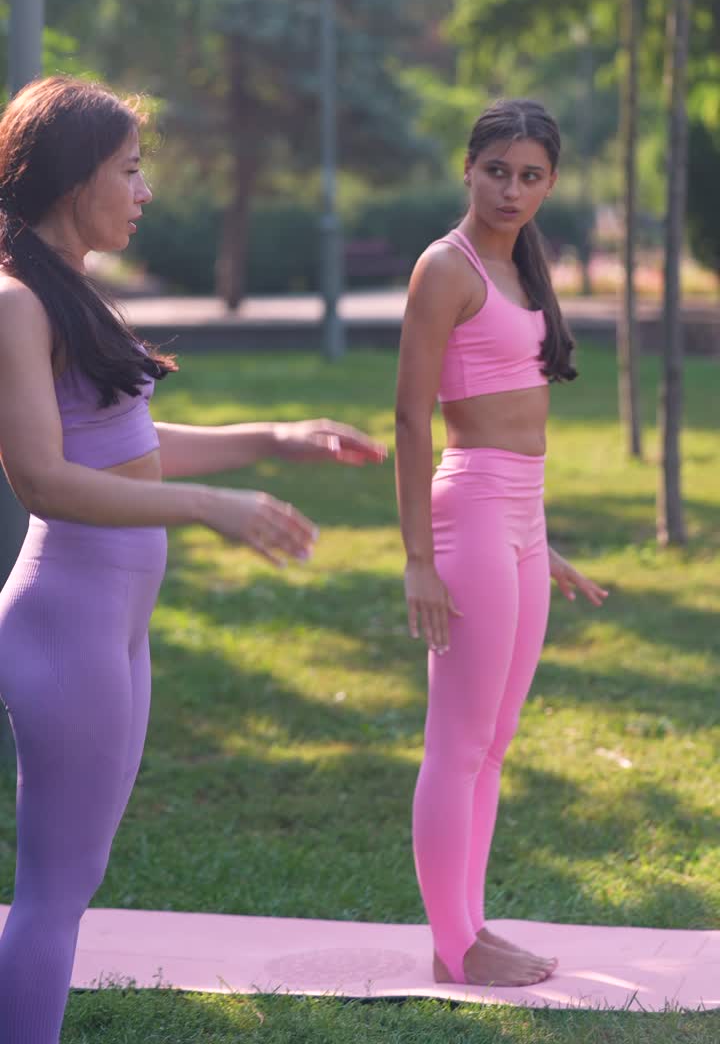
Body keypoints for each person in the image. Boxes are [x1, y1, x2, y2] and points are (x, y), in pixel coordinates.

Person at [0, 75, 385, 1044]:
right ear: (68, 178)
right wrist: (211, 508)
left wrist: (273, 435)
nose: (145, 190)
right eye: (129, 170)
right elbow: (44, 480)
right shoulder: (14, 303)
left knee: (69, 886)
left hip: (112, 626)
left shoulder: (64, 285)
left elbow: (127, 447)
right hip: (65, 624)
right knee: (51, 895)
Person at [395, 98, 608, 988]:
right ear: (468, 168)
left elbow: (523, 423)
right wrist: (418, 560)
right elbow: (411, 419)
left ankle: (468, 930)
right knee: (459, 739)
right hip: (471, 511)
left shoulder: (522, 266)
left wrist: (541, 543)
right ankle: (456, 944)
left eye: (530, 176)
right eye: (496, 171)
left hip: (521, 517)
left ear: (550, 182)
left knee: (495, 741)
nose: (511, 189)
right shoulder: (445, 268)